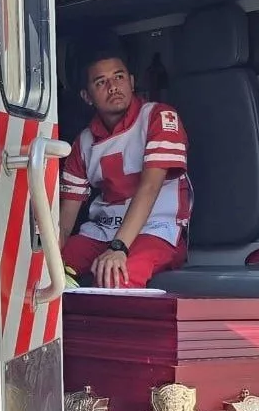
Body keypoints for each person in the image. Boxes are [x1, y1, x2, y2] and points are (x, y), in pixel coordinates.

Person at [59, 49, 191, 289]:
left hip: (156, 231)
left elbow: (150, 186)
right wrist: (49, 261)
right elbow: (65, 221)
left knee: (116, 276)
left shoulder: (159, 118)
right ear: (86, 96)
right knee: (47, 270)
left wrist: (118, 247)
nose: (113, 87)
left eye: (119, 77)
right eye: (101, 82)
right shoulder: (83, 143)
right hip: (102, 232)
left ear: (131, 82)